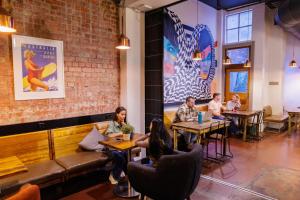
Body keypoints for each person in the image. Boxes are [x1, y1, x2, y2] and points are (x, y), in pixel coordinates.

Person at [105, 106, 128, 184]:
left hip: (121, 147)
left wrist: (125, 126)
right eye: (122, 114)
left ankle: (126, 174)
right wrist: (120, 133)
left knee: (127, 155)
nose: (123, 116)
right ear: (117, 114)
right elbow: (109, 135)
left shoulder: (123, 124)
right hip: (111, 148)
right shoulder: (112, 124)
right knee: (120, 158)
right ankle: (113, 176)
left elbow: (130, 133)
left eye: (125, 115)